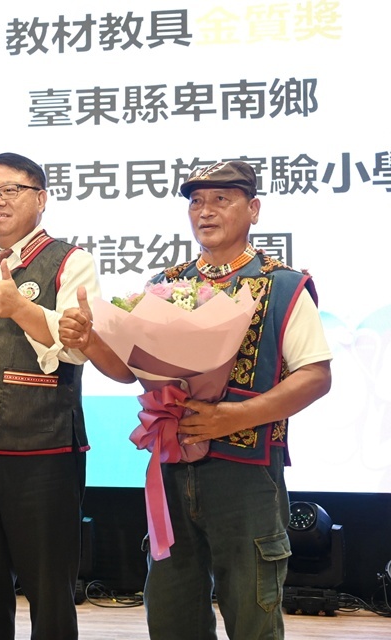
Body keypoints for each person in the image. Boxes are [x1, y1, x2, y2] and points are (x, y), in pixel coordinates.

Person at [112, 161, 331, 640]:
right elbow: (130, 370)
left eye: (220, 199)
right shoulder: (167, 284)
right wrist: (91, 339)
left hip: (247, 474)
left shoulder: (283, 285)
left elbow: (316, 376)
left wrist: (232, 417)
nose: (204, 211)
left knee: (252, 613)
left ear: (253, 209)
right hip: (172, 466)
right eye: (195, 201)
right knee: (171, 611)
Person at [0, 152, 134, 640]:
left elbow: (77, 349)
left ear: (41, 198)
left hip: (44, 449)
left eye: (10, 190)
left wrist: (20, 308)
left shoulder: (70, 261)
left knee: (49, 590)